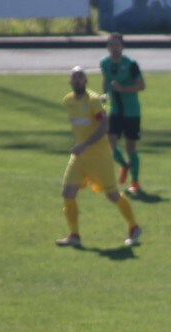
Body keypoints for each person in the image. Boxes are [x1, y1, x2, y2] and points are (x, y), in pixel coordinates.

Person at [56, 66, 142, 250]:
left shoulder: (93, 100)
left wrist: (84, 144)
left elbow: (104, 126)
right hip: (79, 157)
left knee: (112, 195)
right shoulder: (68, 101)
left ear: (86, 81)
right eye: (74, 77)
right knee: (67, 194)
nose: (77, 80)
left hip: (99, 157)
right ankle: (74, 235)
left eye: (80, 77)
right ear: (70, 81)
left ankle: (134, 227)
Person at [100, 33, 146, 196]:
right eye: (111, 45)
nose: (114, 48)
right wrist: (104, 95)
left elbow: (141, 85)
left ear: (122, 46)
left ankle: (135, 182)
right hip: (115, 111)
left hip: (132, 111)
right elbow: (105, 80)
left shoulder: (131, 64)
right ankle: (125, 165)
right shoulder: (104, 63)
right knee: (110, 143)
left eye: (117, 45)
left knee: (130, 147)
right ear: (107, 47)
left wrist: (122, 89)